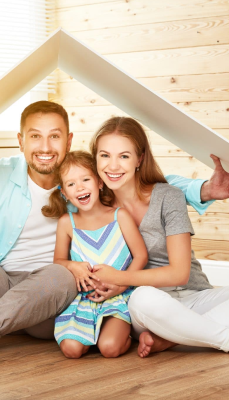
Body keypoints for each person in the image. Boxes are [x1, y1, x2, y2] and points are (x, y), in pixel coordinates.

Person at [0, 101, 229, 378]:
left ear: (68, 140)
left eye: (54, 136)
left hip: (56, 293)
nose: (45, 146)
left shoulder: (88, 180)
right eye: (35, 136)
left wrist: (205, 189)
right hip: (1, 284)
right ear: (20, 140)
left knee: (61, 272)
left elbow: (149, 183)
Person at [86, 116, 229, 358]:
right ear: (95, 158)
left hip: (195, 296)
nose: (112, 166)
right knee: (142, 298)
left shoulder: (169, 196)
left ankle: (169, 340)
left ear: (140, 158)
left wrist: (119, 278)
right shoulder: (93, 205)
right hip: (149, 309)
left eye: (123, 156)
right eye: (105, 155)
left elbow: (179, 273)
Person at [42, 151, 147, 359]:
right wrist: (74, 266)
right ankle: (90, 334)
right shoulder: (67, 222)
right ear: (64, 193)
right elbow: (59, 261)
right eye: (71, 184)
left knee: (109, 348)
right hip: (83, 299)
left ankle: (122, 335)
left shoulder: (120, 216)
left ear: (99, 182)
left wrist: (121, 285)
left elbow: (141, 256)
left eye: (85, 179)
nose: (79, 187)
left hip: (118, 296)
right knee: (71, 350)